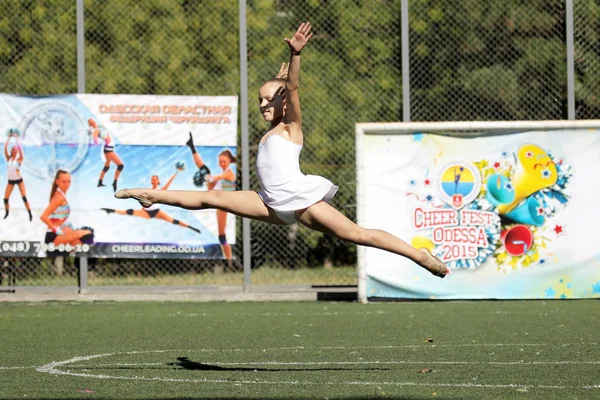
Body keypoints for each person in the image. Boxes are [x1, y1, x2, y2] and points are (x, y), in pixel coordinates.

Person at [115, 22, 448, 278]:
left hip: (300, 199)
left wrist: (296, 55)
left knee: (355, 234)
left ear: (283, 103)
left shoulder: (291, 127)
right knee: (211, 198)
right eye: (259, 99)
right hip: (269, 203)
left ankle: (419, 256)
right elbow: (281, 84)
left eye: (267, 100)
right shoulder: (270, 132)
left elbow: (291, 87)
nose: (261, 105)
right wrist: (279, 73)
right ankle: (150, 195)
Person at [102, 167, 202, 235]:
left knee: (172, 220)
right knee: (130, 212)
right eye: (152, 179)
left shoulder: (160, 191)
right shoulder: (147, 191)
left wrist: (176, 172)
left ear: (158, 181)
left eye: (155, 179)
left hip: (157, 212)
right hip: (146, 212)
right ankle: (111, 210)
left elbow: (168, 183)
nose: (153, 180)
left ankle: (190, 227)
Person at [186, 135, 237, 260]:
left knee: (222, 235)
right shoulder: (222, 174)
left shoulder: (229, 172)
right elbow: (214, 178)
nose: (221, 164)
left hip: (226, 204)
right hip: (218, 201)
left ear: (229, 161)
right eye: (220, 161)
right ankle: (192, 146)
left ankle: (229, 260)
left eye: (224, 161)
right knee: (204, 169)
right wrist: (208, 178)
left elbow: (221, 177)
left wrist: (210, 178)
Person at [40, 170, 94, 247]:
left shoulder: (60, 196)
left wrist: (65, 229)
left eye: (68, 182)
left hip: (58, 234)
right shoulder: (59, 197)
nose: (67, 184)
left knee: (87, 235)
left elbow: (58, 220)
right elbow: (43, 216)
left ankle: (65, 255)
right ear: (57, 182)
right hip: (53, 236)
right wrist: (57, 230)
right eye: (64, 182)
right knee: (88, 234)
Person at [3, 128, 33, 221]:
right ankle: (7, 212)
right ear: (11, 151)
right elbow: (5, 148)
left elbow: (20, 149)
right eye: (13, 150)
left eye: (16, 150)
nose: (15, 151)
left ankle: (30, 214)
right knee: (5, 199)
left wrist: (16, 139)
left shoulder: (19, 159)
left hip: (19, 181)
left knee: (24, 197)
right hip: (10, 181)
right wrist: (9, 138)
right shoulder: (9, 159)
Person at [88, 119, 124, 192]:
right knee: (120, 165)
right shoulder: (95, 131)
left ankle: (100, 182)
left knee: (107, 167)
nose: (93, 122)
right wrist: (93, 135)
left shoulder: (100, 127)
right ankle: (114, 182)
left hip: (109, 148)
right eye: (91, 122)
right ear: (90, 125)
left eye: (93, 121)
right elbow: (96, 143)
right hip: (108, 150)